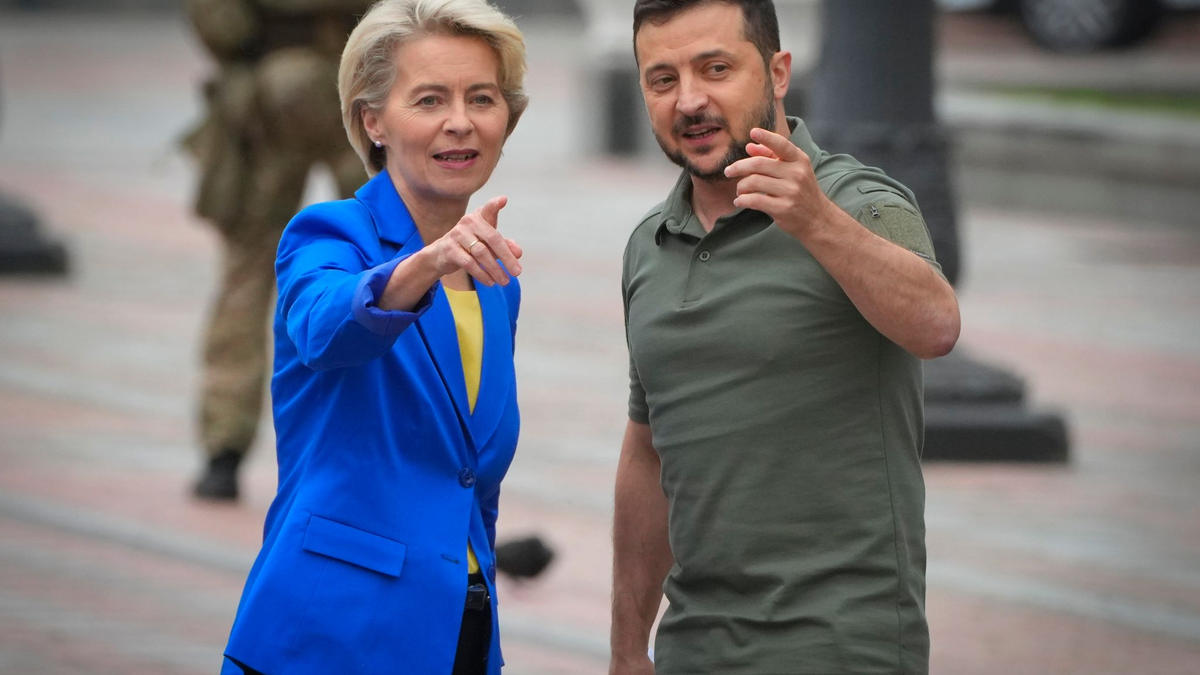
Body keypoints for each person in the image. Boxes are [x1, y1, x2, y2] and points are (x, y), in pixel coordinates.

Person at [610, 1, 961, 674]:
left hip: (839, 646)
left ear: (777, 73)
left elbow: (937, 325)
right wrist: (627, 649)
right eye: (662, 79)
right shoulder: (648, 245)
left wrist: (815, 220)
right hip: (693, 646)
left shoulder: (858, 200)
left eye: (716, 69)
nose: (689, 100)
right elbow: (646, 453)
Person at [218, 1, 528, 673]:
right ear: (372, 121)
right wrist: (423, 265)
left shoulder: (495, 280)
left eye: (482, 98)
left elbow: (470, 483)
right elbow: (325, 324)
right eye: (429, 99)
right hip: (332, 633)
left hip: (458, 631)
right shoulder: (330, 233)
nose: (460, 121)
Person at [185, 0, 375, 500]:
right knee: (386, 260)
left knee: (247, 275)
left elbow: (218, 22)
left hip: (271, 91)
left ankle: (223, 448)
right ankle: (383, 436)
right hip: (363, 86)